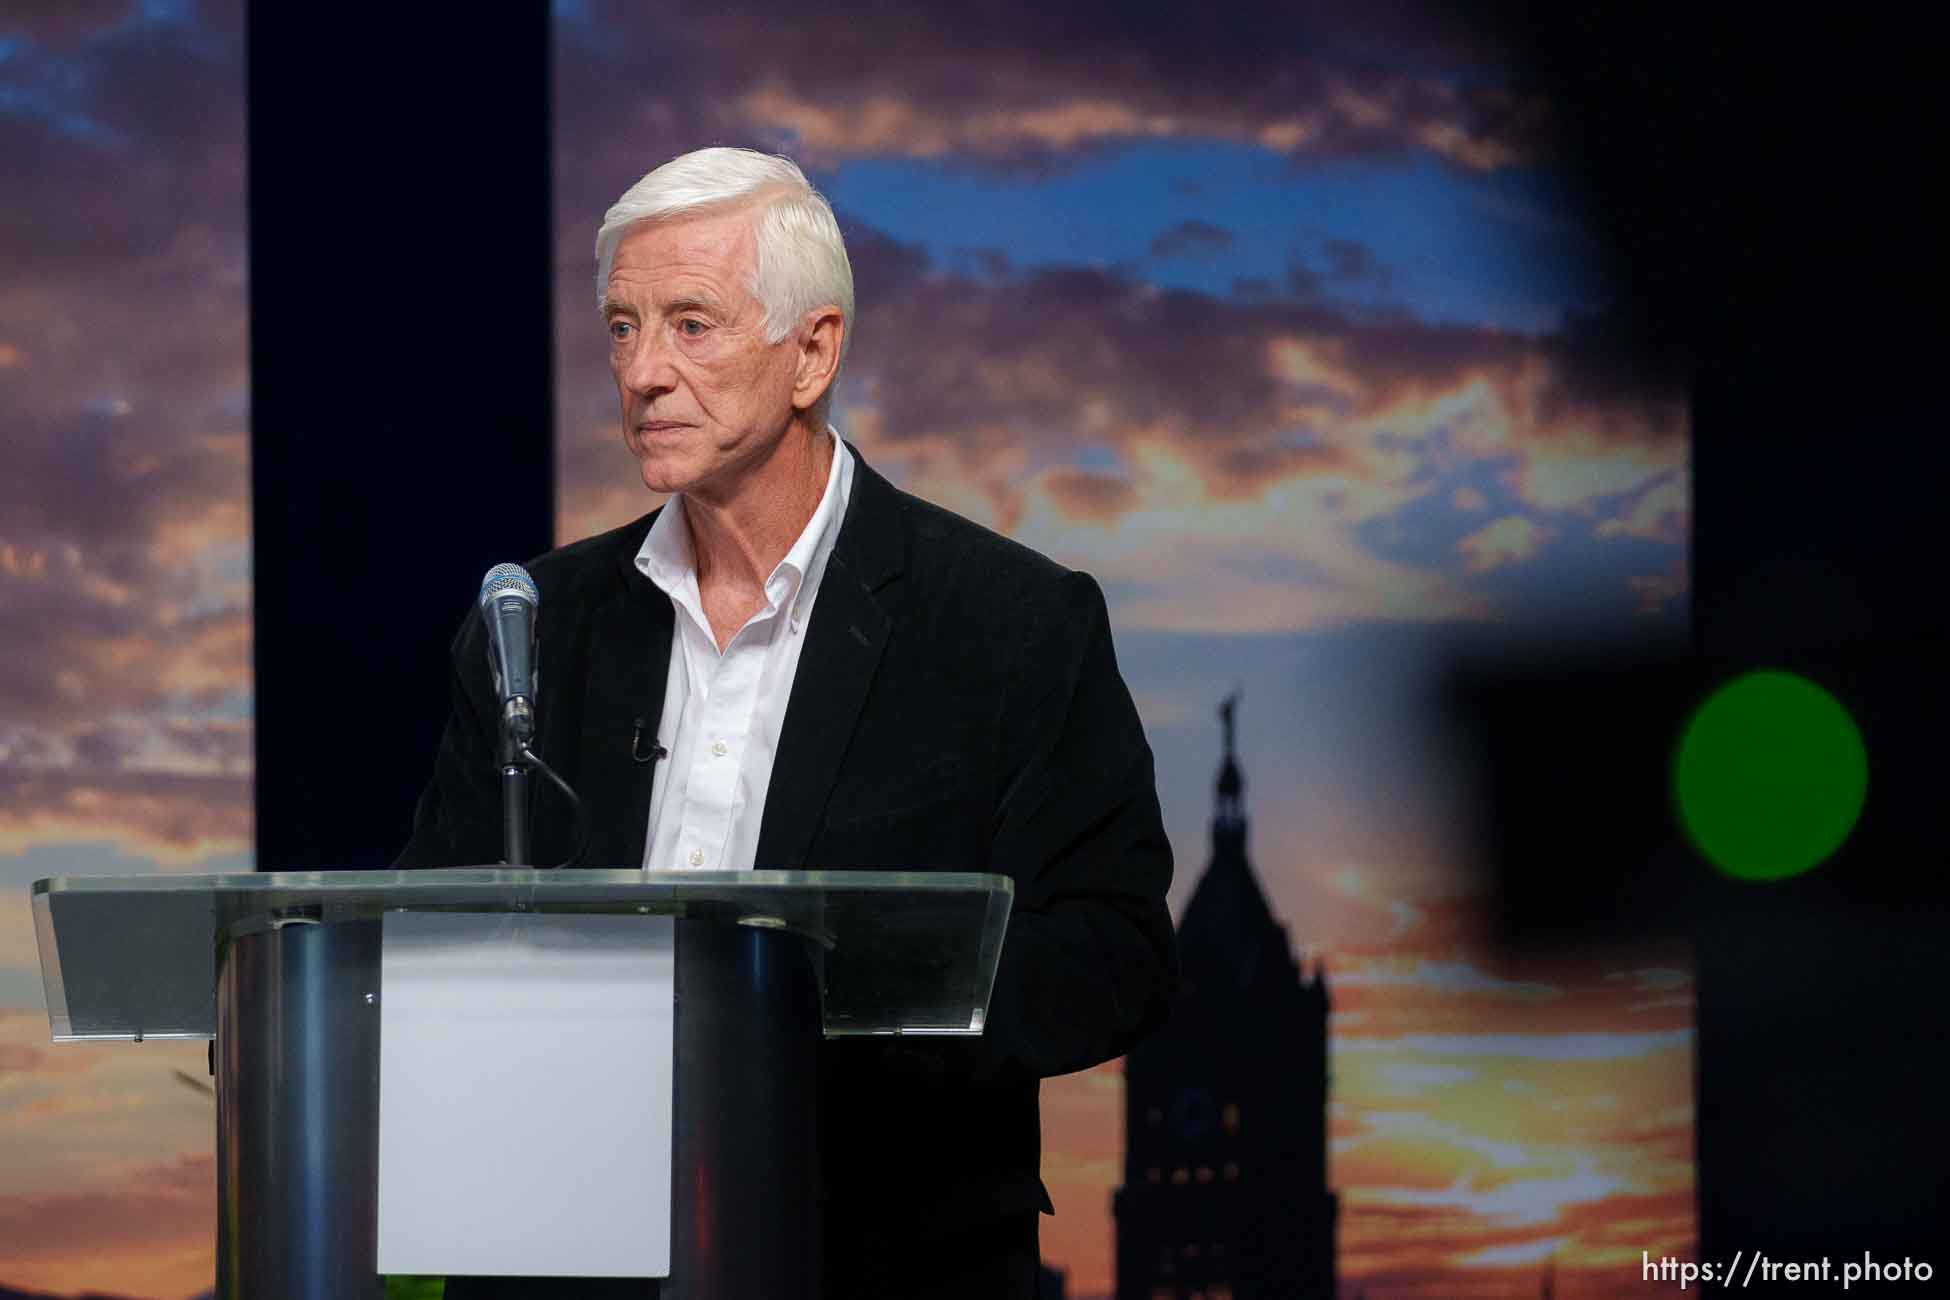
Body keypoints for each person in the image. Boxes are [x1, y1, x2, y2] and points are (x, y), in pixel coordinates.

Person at [398, 147, 1177, 1300]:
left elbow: (1114, 955)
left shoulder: (1010, 621)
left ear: (812, 352)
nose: (644, 372)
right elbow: (420, 933)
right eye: (621, 328)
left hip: (883, 1253)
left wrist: (835, 1001)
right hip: (565, 1258)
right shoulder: (536, 624)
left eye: (691, 325)